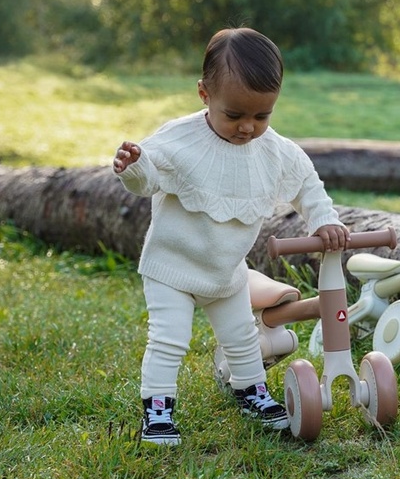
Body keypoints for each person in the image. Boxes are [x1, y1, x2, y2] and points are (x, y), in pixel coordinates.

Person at [113, 27, 350, 446]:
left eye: (262, 116)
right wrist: (133, 165)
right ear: (205, 94)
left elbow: (306, 183)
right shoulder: (180, 138)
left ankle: (250, 391)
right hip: (172, 266)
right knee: (169, 338)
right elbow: (148, 175)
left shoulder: (274, 150)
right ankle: (158, 410)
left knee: (242, 336)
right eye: (235, 115)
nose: (247, 128)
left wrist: (324, 219)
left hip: (226, 270)